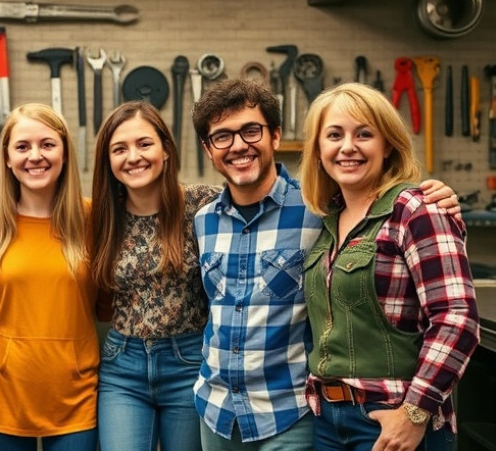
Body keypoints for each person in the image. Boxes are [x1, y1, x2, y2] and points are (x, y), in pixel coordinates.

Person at [190, 78, 460, 451]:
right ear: (208, 149)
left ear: (275, 136)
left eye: (251, 130)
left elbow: (454, 312)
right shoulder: (204, 220)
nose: (238, 145)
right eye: (222, 136)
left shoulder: (319, 206)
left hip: (296, 413)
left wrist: (438, 200)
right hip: (220, 411)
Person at [298, 82, 479, 451]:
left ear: (388, 146)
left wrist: (414, 414)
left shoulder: (415, 210)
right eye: (334, 135)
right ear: (318, 150)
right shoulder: (327, 221)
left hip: (394, 422)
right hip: (328, 422)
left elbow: (456, 317)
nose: (348, 146)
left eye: (364, 134)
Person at [0, 103, 109, 451]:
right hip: (2, 395)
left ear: (64, 152)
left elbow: (105, 305)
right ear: (8, 159)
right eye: (23, 146)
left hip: (76, 398)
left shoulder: (94, 219)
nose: (36, 156)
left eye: (47, 144)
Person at [89, 101, 217, 451]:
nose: (133, 156)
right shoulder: (100, 216)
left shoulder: (204, 204)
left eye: (144, 144)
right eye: (119, 149)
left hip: (189, 362)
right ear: (108, 160)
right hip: (122, 366)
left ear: (165, 149)